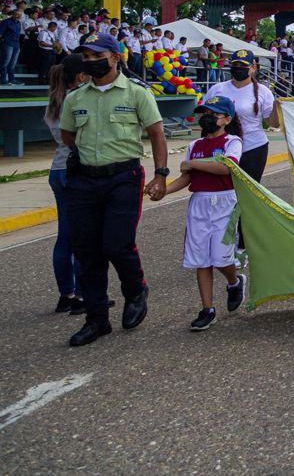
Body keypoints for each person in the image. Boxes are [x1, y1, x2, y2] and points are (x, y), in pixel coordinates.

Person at [60, 33, 169, 347]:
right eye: (87, 56)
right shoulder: (76, 97)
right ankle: (96, 319)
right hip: (83, 180)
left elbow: (157, 134)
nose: (91, 61)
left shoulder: (136, 93)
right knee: (86, 251)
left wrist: (161, 174)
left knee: (117, 244)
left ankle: (135, 290)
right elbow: (68, 135)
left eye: (97, 55)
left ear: (116, 56)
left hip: (123, 177)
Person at [149, 96, 247, 331]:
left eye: (213, 114)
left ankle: (234, 282)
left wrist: (194, 164)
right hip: (200, 203)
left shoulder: (232, 141)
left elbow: (227, 166)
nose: (208, 118)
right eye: (204, 114)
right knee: (201, 258)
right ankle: (207, 309)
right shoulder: (194, 146)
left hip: (227, 203)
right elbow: (187, 178)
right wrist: (165, 190)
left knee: (221, 256)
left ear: (226, 119)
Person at [45, 57, 86, 314]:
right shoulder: (78, 100)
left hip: (58, 168)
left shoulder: (54, 101)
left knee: (65, 236)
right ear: (80, 76)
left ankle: (66, 293)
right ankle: (83, 295)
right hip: (76, 169)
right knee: (83, 236)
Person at [205, 49, 279, 184]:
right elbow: (205, 116)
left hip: (252, 148)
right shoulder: (217, 89)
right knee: (223, 190)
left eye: (243, 66)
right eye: (235, 66)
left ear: (253, 68)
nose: (239, 69)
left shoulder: (263, 91)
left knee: (250, 192)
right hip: (222, 148)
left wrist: (277, 108)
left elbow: (273, 123)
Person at [0, 6, 21, 84]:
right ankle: (3, 79)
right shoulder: (6, 22)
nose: (19, 16)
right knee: (5, 62)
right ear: (12, 14)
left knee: (13, 63)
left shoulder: (18, 23)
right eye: (17, 14)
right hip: (7, 43)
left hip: (16, 44)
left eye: (20, 15)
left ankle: (12, 80)